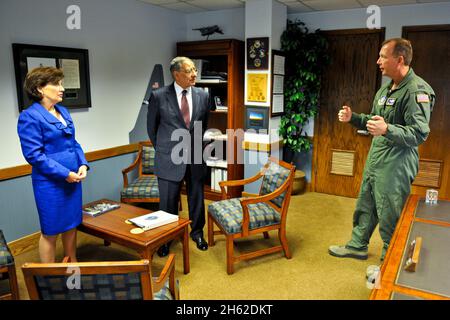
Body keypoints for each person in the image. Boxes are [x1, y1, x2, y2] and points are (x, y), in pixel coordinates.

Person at [328, 38, 435, 262]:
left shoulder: (417, 91)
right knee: (366, 204)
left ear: (400, 59)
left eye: (383, 57)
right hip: (377, 157)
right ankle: (357, 245)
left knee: (390, 212)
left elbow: (418, 133)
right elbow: (375, 121)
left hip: (397, 162)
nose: (378, 61)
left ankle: (390, 259)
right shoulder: (386, 90)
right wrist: (354, 118)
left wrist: (387, 129)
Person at [17, 67, 89, 263]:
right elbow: (34, 155)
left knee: (71, 224)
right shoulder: (29, 116)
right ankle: (47, 276)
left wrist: (83, 164)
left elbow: (74, 143)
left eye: (61, 83)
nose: (62, 88)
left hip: (73, 180)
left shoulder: (63, 111)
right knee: (51, 230)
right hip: (50, 183)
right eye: (56, 84)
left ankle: (71, 265)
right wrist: (65, 173)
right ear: (40, 88)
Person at [147, 56, 210, 256]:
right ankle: (166, 238)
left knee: (197, 197)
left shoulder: (203, 95)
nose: (194, 74)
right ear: (176, 74)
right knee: (168, 201)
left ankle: (197, 232)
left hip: (195, 156)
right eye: (190, 70)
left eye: (195, 70)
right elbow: (152, 129)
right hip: (169, 157)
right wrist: (166, 150)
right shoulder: (158, 96)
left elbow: (202, 124)